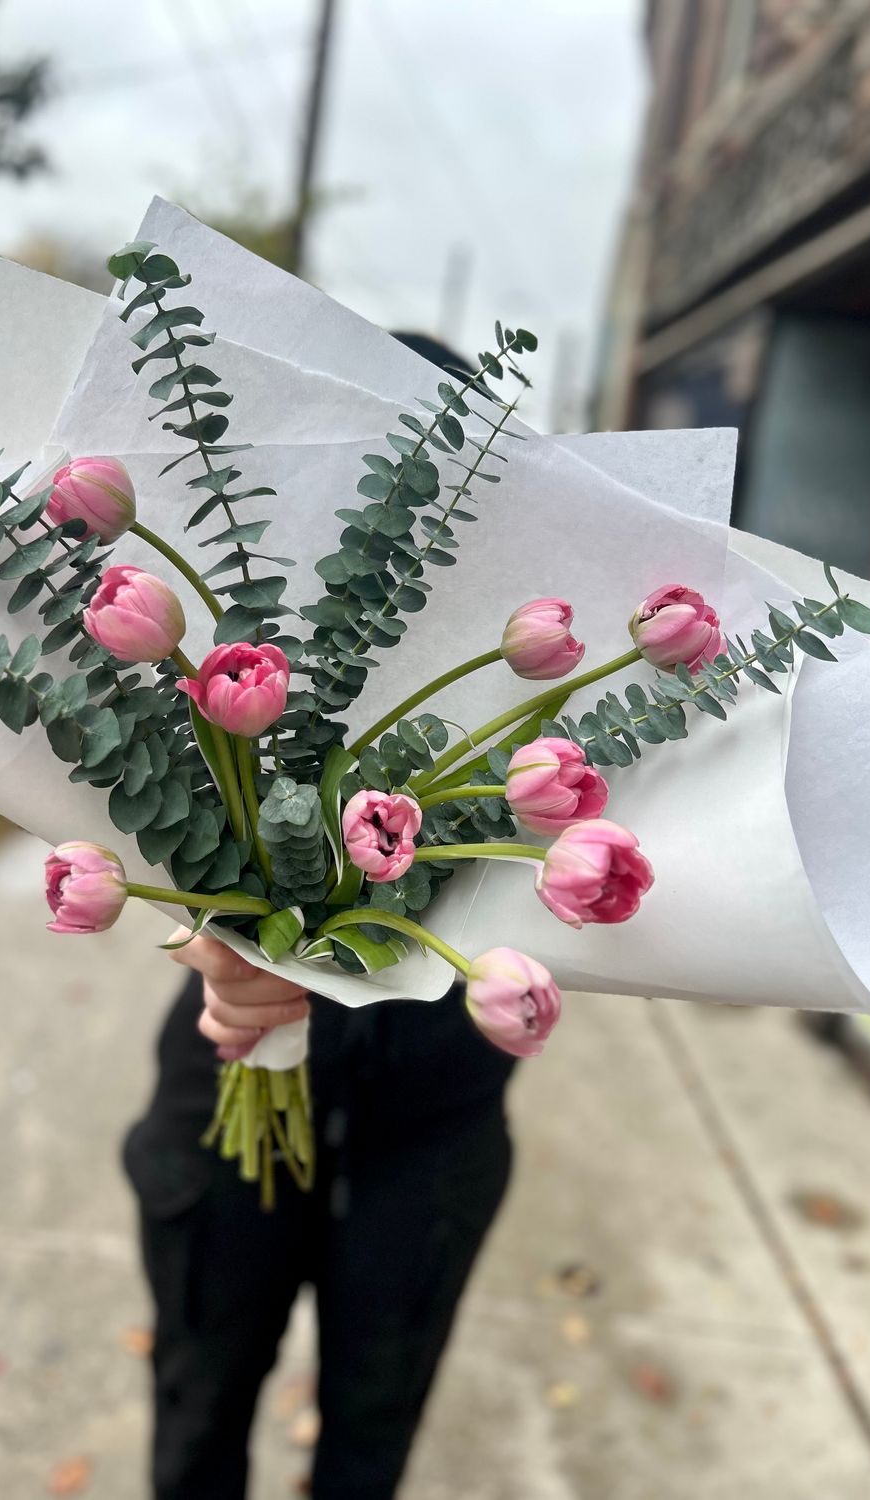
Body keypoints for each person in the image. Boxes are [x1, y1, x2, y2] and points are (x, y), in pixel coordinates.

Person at [122, 333, 517, 1500]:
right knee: (201, 1408)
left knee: (370, 1439)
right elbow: (137, 810)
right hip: (237, 1065)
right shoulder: (257, 620)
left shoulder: (514, 680)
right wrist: (217, 935)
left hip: (437, 1095)